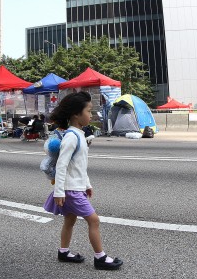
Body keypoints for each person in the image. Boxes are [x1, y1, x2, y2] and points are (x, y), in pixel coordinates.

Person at [43, 92, 123, 270]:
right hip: (70, 190)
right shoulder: (72, 137)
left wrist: (87, 184)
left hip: (75, 188)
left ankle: (63, 252)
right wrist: (59, 192)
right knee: (93, 220)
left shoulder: (78, 135)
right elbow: (62, 165)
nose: (91, 115)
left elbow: (79, 165)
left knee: (70, 220)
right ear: (76, 115)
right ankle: (100, 258)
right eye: (88, 111)